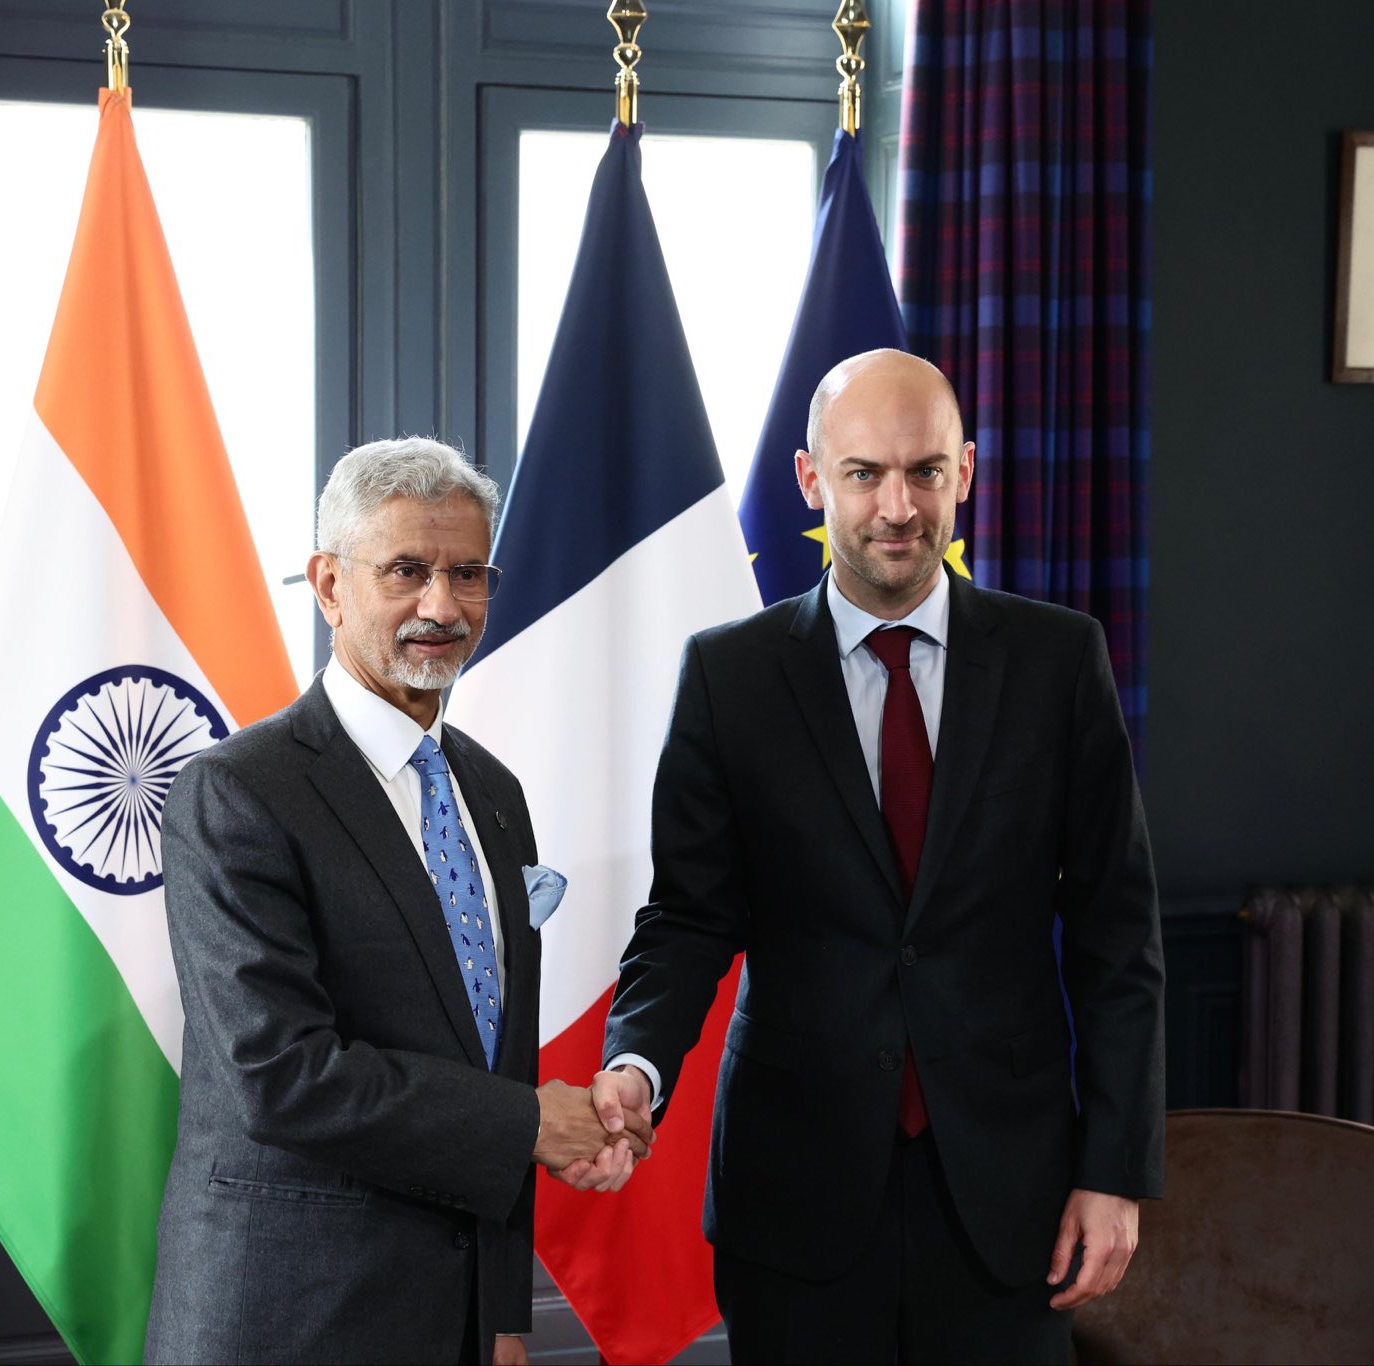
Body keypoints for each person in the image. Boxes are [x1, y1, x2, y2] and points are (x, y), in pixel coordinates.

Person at [591, 351, 1165, 1363]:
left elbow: (1117, 937)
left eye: (923, 471)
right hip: (795, 1197)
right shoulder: (730, 676)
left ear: (966, 473)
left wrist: (1113, 1169)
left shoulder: (1056, 661)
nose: (896, 506)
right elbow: (687, 917)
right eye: (863, 473)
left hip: (1007, 1199)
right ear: (812, 480)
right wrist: (636, 1061)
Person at [144, 438, 649, 1366]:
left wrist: (501, 1316)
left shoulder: (493, 796)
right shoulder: (237, 793)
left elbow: (490, 1063)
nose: (441, 607)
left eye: (468, 574)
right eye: (406, 571)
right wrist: (535, 1123)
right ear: (330, 585)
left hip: (454, 1326)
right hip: (288, 1326)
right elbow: (283, 1079)